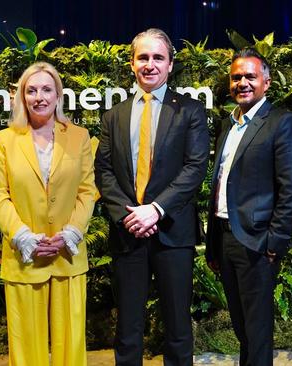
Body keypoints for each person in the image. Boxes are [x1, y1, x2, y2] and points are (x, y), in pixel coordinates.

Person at [94, 28, 209, 366]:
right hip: (128, 232)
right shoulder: (113, 116)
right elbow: (104, 172)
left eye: (158, 57)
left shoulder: (190, 111)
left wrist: (155, 210)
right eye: (143, 57)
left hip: (173, 233)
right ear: (132, 63)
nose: (150, 64)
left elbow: (195, 168)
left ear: (170, 64)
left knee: (177, 326)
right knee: (128, 327)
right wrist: (129, 216)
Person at [0, 61, 96, 366]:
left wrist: (71, 233)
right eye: (31, 90)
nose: (39, 97)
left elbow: (87, 191)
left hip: (68, 256)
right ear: (22, 97)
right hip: (24, 257)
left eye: (47, 89)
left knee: (70, 346)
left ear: (58, 94)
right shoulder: (4, 140)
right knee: (25, 348)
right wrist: (24, 237)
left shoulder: (79, 137)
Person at [205, 48, 292, 366]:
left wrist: (274, 243)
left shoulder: (281, 123)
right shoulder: (227, 125)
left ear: (267, 82)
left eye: (250, 76)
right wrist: (213, 245)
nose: (242, 83)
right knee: (242, 328)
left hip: (257, 243)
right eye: (236, 77)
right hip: (224, 239)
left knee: (258, 331)